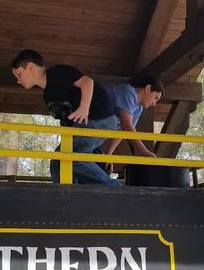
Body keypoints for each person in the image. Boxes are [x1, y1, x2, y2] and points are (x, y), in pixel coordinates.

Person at [11, 49, 118, 186]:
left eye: (19, 74)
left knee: (72, 157)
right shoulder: (48, 96)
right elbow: (65, 121)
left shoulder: (58, 73)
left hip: (100, 117)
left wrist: (84, 108)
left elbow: (87, 82)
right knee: (58, 161)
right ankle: (65, 194)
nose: (18, 80)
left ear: (30, 67)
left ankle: (112, 187)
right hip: (81, 126)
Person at [102, 77, 164, 163]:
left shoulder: (138, 108)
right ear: (148, 88)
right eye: (155, 98)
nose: (154, 103)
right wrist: (143, 151)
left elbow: (123, 131)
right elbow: (126, 125)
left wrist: (109, 154)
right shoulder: (128, 92)